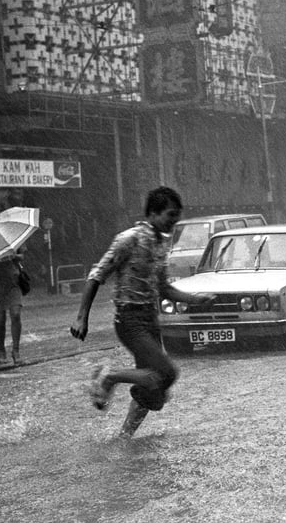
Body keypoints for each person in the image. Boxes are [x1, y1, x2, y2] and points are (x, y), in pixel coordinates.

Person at [70, 186, 215, 439]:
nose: (174, 221)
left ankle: (125, 436)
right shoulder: (128, 239)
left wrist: (195, 300)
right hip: (129, 320)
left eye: (177, 215)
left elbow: (164, 288)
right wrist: (82, 317)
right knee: (167, 373)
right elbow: (97, 275)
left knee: (156, 389)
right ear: (153, 213)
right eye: (171, 215)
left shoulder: (160, 245)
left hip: (150, 319)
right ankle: (109, 376)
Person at [0, 250, 24, 364]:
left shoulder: (10, 235)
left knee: (16, 314)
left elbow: (22, 256)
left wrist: (12, 256)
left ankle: (16, 350)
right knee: (0, 319)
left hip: (13, 283)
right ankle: (2, 350)